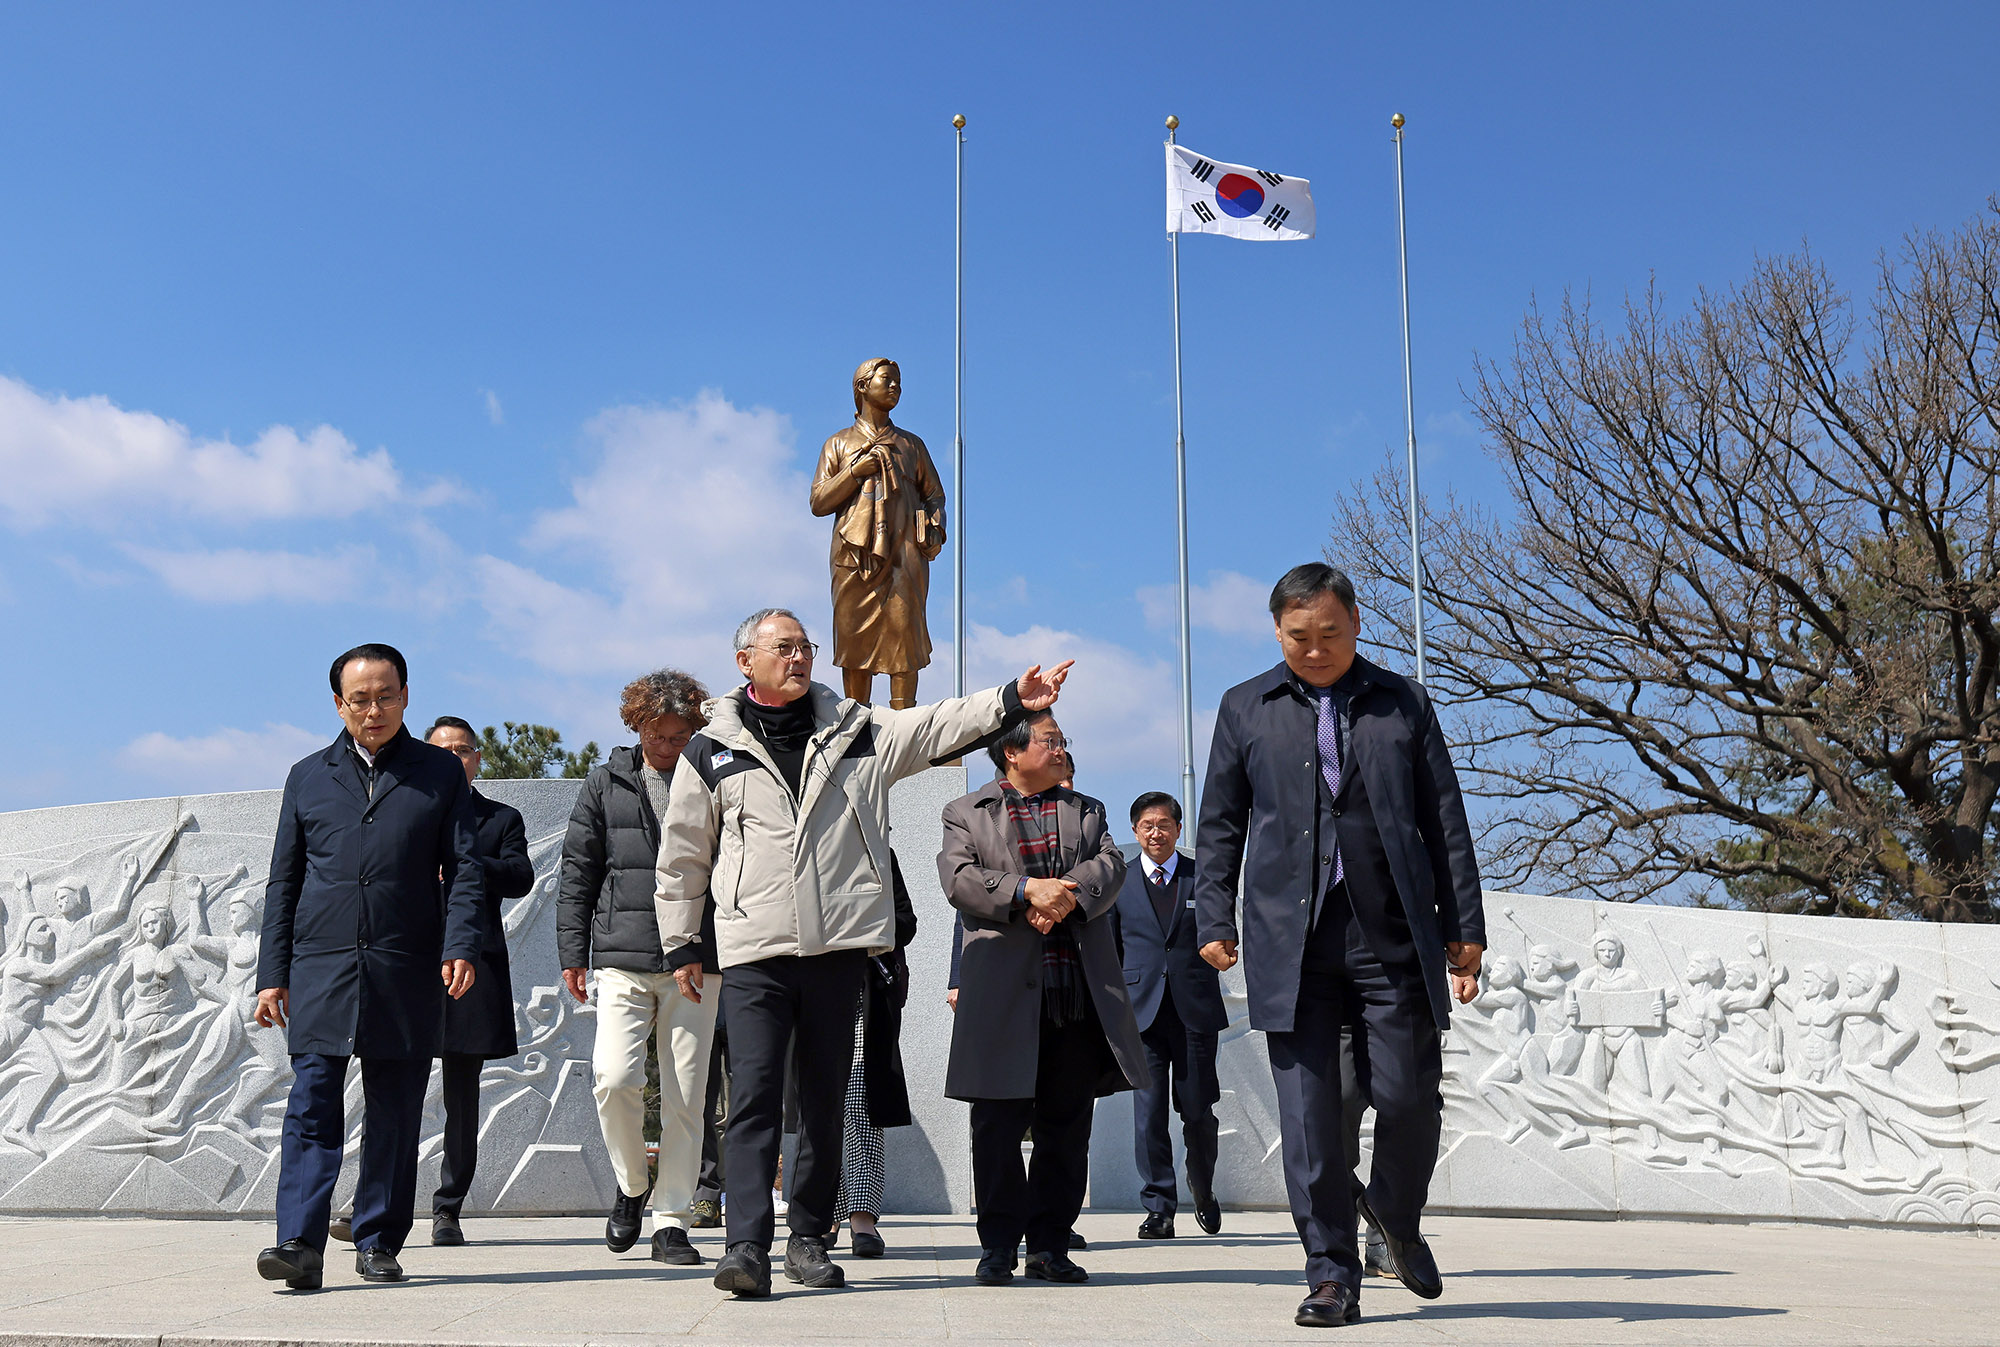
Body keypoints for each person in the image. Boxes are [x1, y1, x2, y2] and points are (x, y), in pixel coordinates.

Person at [655, 606, 1068, 1298]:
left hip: (840, 945)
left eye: (805, 647)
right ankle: (746, 1245)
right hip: (754, 947)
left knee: (822, 1098)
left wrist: (1007, 700)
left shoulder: (859, 730)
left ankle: (810, 1237)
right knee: (753, 1098)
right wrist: (681, 942)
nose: (799, 658)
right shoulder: (710, 748)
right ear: (745, 662)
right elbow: (684, 853)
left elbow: (935, 722)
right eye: (783, 648)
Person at [1194, 564, 1485, 1329]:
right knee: (1312, 1122)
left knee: (1408, 1095)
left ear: (1355, 623)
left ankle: (1394, 1213)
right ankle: (1331, 1275)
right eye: (1299, 637)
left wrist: (1465, 929)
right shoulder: (1244, 707)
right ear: (1277, 632)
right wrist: (1213, 918)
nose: (1315, 649)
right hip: (1292, 943)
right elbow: (1220, 823)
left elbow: (1445, 819)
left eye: (1329, 633)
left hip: (1391, 933)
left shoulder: (1403, 702)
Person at [254, 643, 485, 1290]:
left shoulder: (439, 772)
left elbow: (465, 867)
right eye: (360, 698)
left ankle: (378, 1237)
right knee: (312, 1101)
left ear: (406, 695)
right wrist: (272, 972)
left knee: (395, 1105)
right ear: (339, 704)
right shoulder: (306, 775)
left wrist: (458, 942)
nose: (374, 709)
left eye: (386, 695)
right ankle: (298, 1241)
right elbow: (284, 880)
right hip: (321, 965)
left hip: (405, 962)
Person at [938, 712, 1145, 1287]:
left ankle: (1051, 1244)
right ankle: (999, 1245)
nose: (1060, 749)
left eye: (1061, 741)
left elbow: (1110, 863)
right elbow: (958, 878)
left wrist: (1063, 895)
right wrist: (1026, 891)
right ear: (1012, 751)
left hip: (1074, 995)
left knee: (1066, 1125)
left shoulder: (1087, 809)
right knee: (997, 1126)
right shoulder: (966, 812)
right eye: (1050, 740)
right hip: (1001, 994)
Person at [557, 668, 720, 1268]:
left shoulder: (713, 777)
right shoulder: (605, 782)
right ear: (638, 725)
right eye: (660, 735)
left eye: (681, 737)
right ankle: (631, 1186)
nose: (671, 747)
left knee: (686, 1092)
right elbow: (578, 871)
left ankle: (671, 1220)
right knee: (614, 1078)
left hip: (701, 959)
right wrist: (573, 952)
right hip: (621, 955)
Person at [424, 716, 533, 1247]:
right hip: (409, 966)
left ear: (477, 759)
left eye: (463, 750)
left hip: (472, 966)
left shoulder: (500, 818)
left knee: (462, 1095)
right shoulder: (407, 815)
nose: (454, 759)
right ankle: (378, 1201)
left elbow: (520, 878)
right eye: (442, 750)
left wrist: (467, 863)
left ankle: (449, 1208)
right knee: (389, 1087)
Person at [1112, 790, 1224, 1239]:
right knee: (1148, 1112)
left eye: (1164, 824)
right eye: (1147, 826)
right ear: (1135, 831)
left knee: (1197, 1110)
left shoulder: (1204, 877)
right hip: (1142, 1014)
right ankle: (1159, 1205)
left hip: (1194, 1010)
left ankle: (1202, 1185)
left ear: (1179, 829)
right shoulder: (1119, 879)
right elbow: (1112, 947)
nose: (1156, 832)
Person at [832, 851, 918, 1259]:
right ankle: (825, 1211)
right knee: (821, 1104)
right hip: (815, 990)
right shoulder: (803, 844)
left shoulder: (879, 854)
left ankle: (862, 1215)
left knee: (862, 1106)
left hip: (867, 992)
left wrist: (864, 932)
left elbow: (906, 920)